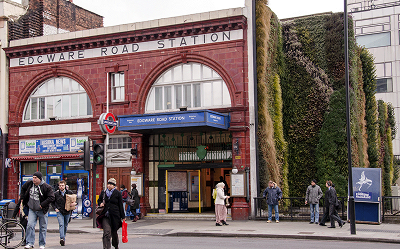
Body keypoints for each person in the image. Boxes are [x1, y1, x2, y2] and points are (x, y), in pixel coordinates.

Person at [21, 171, 55, 249]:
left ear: (40, 178)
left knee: (43, 227)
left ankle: (42, 244)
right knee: (30, 225)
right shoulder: (29, 184)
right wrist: (22, 198)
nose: (34, 179)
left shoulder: (46, 187)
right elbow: (23, 188)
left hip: (42, 210)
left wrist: (42, 205)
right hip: (32, 209)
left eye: (35, 178)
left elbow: (52, 197)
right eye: (33, 177)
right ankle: (30, 243)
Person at [97, 178, 125, 249]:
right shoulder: (103, 192)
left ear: (114, 186)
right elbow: (99, 200)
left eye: (111, 184)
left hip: (115, 215)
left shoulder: (118, 193)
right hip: (105, 215)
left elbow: (120, 205)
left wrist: (123, 216)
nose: (109, 186)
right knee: (107, 233)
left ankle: (115, 245)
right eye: (108, 184)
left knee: (114, 232)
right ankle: (106, 247)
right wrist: (100, 203)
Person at [51, 180, 74, 246]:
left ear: (65, 186)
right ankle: (62, 238)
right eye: (60, 186)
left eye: (62, 185)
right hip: (60, 211)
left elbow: (74, 200)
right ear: (58, 186)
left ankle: (63, 236)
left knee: (65, 225)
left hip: (67, 211)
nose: (61, 187)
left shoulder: (69, 192)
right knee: (61, 224)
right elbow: (52, 202)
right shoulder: (56, 194)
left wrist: (73, 204)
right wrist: (55, 208)